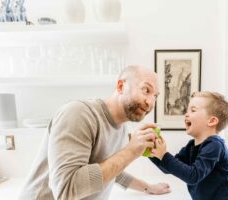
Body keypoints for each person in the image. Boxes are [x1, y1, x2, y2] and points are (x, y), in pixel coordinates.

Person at [19, 65, 171, 200]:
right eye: (146, 90)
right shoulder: (79, 114)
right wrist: (130, 152)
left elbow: (112, 172)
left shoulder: (122, 128)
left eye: (155, 96)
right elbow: (65, 190)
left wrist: (148, 188)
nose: (150, 103)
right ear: (120, 87)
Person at [150, 91, 228, 200]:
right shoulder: (191, 146)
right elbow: (168, 168)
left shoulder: (215, 145)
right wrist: (151, 151)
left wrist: (164, 155)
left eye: (193, 110)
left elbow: (193, 176)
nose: (186, 114)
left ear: (211, 121)